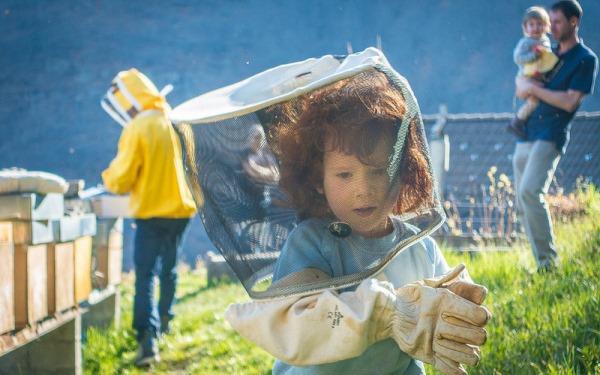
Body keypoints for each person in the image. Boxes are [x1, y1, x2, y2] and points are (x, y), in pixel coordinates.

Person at [226, 70, 491, 375]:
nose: (364, 189)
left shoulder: (421, 248)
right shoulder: (310, 243)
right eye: (344, 175)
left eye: (379, 170)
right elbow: (296, 322)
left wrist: (461, 302)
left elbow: (451, 304)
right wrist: (382, 314)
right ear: (317, 180)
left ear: (404, 170)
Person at [101, 68, 198, 366]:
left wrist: (107, 178)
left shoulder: (139, 127)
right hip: (182, 210)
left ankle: (148, 340)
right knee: (169, 268)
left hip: (152, 211)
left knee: (146, 274)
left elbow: (120, 179)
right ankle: (166, 319)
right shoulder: (174, 119)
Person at [514, 0, 597, 272]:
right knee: (522, 198)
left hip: (551, 133)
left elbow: (569, 102)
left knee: (530, 192)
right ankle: (539, 260)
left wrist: (534, 91)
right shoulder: (548, 53)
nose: (551, 27)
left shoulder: (585, 59)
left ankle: (548, 264)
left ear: (574, 22)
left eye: (557, 21)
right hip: (527, 132)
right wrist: (525, 86)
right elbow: (521, 86)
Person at [507, 6, 558, 138]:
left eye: (540, 24)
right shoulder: (526, 42)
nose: (536, 28)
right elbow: (518, 58)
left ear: (547, 26)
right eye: (532, 24)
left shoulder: (545, 41)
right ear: (525, 27)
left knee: (538, 101)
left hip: (539, 76)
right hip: (526, 76)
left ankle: (522, 121)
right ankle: (517, 121)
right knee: (536, 99)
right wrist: (533, 55)